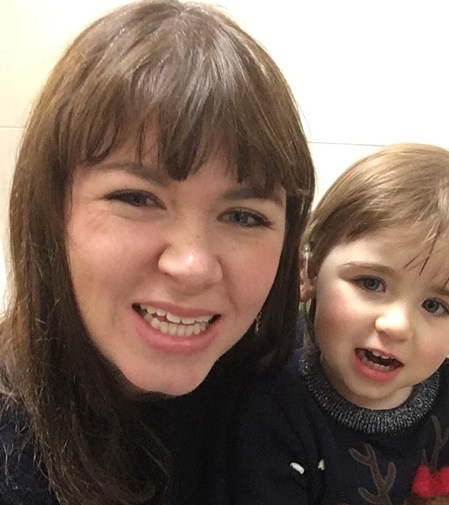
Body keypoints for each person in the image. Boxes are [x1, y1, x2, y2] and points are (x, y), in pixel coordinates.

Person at [0, 1, 315, 504]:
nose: (192, 267)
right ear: (50, 212)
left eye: (244, 216)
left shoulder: (313, 382)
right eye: (136, 198)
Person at [222, 143, 449, 504]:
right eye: (371, 283)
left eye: (434, 306)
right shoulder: (271, 411)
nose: (397, 325)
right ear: (309, 272)